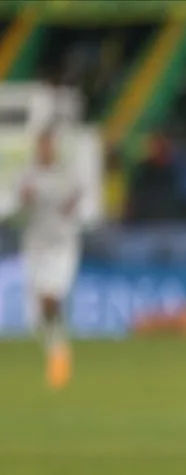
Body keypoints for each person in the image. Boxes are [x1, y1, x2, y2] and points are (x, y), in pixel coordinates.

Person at [18, 127, 83, 390]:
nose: (45, 149)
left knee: (51, 296)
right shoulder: (27, 176)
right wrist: (26, 199)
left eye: (48, 145)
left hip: (61, 245)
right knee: (38, 311)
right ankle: (57, 347)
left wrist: (64, 202)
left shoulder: (66, 176)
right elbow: (19, 209)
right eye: (41, 145)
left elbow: (73, 203)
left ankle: (59, 355)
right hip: (35, 245)